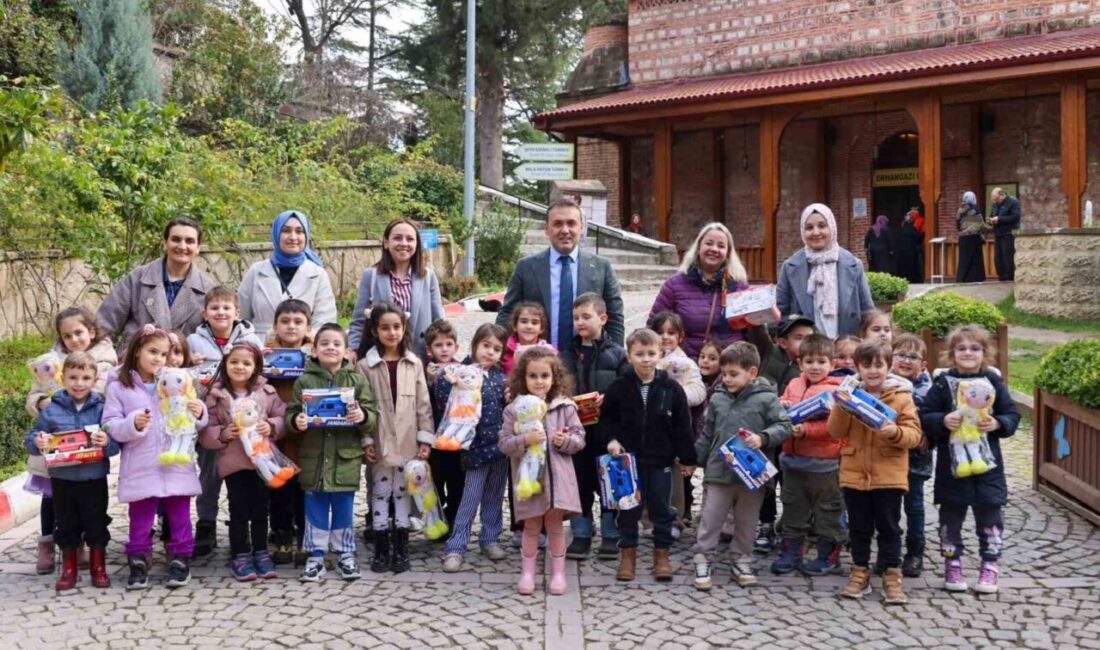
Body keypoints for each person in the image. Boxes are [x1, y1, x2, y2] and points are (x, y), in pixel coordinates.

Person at [103, 325, 208, 590]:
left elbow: (194, 420)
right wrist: (133, 423)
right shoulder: (120, 387)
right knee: (140, 516)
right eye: (152, 351)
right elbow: (110, 424)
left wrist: (198, 412)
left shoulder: (176, 382)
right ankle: (138, 559)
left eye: (164, 354)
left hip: (176, 462)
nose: (159, 359)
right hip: (141, 464)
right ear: (137, 350)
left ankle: (181, 558)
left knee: (180, 513)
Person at [920, 325, 1020, 594]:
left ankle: (990, 565)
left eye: (974, 348)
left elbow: (1012, 414)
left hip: (988, 467)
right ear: (951, 354)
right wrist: (941, 420)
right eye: (961, 348)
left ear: (985, 353)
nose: (967, 352)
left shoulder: (993, 383)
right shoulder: (942, 384)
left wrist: (998, 423)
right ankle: (953, 564)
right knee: (950, 517)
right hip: (952, 467)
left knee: (990, 515)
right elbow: (925, 415)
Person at [24, 306, 118, 575]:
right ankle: (49, 544)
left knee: (90, 505)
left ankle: (88, 550)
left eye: (78, 333)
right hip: (56, 444)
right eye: (67, 336)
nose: (74, 339)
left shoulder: (105, 362)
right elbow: (35, 395)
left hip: (87, 455)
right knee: (52, 498)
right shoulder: (49, 363)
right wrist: (44, 402)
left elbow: (103, 398)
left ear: (91, 331)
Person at [827, 340, 921, 604]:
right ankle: (860, 572)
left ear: (888, 367)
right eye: (866, 365)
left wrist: (895, 432)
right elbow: (834, 432)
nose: (872, 371)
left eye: (878, 365)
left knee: (890, 528)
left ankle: (892, 575)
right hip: (854, 474)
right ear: (857, 368)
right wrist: (841, 406)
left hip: (888, 476)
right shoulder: (850, 393)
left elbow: (914, 436)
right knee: (859, 528)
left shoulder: (902, 398)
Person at [692, 342, 792, 590]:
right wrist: (695, 459)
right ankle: (703, 557)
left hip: (753, 474)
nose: (727, 379)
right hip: (719, 471)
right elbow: (707, 432)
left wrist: (763, 437)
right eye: (724, 374)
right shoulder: (718, 398)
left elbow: (784, 426)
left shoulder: (767, 398)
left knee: (747, 521)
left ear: (752, 372)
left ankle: (741, 559)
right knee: (711, 517)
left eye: (733, 374)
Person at [600, 328, 697, 582]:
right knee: (629, 509)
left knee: (661, 508)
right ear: (629, 356)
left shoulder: (671, 389)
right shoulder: (619, 387)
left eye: (651, 353)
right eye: (639, 354)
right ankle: (628, 555)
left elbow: (682, 426)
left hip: (661, 460)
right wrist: (611, 440)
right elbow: (607, 419)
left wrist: (687, 458)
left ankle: (661, 554)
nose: (646, 359)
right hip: (627, 461)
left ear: (660, 354)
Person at [286, 323, 379, 582]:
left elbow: (372, 416)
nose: (330, 348)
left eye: (337, 344)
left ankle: (345, 554)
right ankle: (315, 555)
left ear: (347, 352)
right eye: (324, 343)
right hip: (314, 459)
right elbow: (291, 414)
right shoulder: (304, 380)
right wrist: (297, 422)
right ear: (314, 351)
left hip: (344, 459)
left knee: (343, 509)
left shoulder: (357, 380)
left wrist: (362, 416)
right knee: (314, 507)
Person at [499, 347, 586, 595]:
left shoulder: (565, 407)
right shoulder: (515, 409)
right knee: (531, 527)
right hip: (530, 482)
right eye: (533, 376)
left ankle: (558, 573)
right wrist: (525, 439)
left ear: (554, 377)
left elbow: (580, 437)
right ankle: (528, 572)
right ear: (523, 378)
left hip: (559, 481)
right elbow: (504, 443)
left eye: (544, 376)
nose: (539, 381)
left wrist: (565, 441)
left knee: (556, 527)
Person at [187, 286, 265, 557]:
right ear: (204, 313)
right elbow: (183, 376)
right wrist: (190, 365)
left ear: (237, 312)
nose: (221, 312)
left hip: (245, 420)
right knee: (208, 473)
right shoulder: (193, 342)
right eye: (215, 308)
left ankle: (241, 523)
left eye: (226, 308)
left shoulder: (252, 339)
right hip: (210, 417)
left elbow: (262, 373)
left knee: (245, 474)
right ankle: (206, 521)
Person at [356, 303, 434, 575]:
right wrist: (366, 441)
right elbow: (361, 405)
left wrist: (425, 439)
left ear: (404, 329)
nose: (392, 332)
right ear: (375, 331)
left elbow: (423, 405)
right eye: (385, 327)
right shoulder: (365, 366)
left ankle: (401, 544)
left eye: (397, 327)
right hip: (379, 440)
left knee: (402, 492)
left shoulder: (414, 364)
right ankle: (380, 543)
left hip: (407, 440)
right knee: (379, 491)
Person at [199, 343, 287, 582]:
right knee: (238, 508)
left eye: (247, 363)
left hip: (262, 460)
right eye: (234, 362)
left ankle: (260, 551)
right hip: (234, 462)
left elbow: (282, 416)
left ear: (256, 368)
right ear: (225, 364)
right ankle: (239, 553)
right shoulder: (215, 395)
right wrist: (222, 434)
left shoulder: (267, 392)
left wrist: (271, 426)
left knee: (261, 508)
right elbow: (206, 428)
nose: (240, 367)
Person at [497, 199, 625, 349]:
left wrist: (615, 360)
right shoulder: (526, 267)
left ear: (582, 228)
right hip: (539, 363)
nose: (565, 230)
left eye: (571, 223)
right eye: (557, 224)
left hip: (589, 362)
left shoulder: (602, 267)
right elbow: (507, 314)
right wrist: (502, 354)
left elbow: (615, 318)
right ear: (546, 229)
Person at [772, 335, 846, 577]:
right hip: (793, 461)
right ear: (800, 363)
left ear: (832, 365)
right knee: (794, 508)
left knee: (828, 511)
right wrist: (781, 404)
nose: (815, 366)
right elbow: (786, 405)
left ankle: (828, 556)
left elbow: (834, 428)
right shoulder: (794, 384)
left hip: (825, 465)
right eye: (810, 361)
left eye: (821, 361)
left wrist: (806, 431)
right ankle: (792, 552)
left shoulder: (836, 391)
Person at [563, 293, 626, 561]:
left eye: (586, 317)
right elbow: (558, 385)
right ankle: (581, 532)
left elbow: (627, 391)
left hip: (606, 431)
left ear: (603, 319)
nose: (580, 322)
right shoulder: (566, 353)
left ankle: (611, 534)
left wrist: (608, 398)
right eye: (576, 318)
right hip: (577, 430)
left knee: (609, 481)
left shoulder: (617, 355)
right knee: (580, 481)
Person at [441, 324, 509, 572]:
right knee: (469, 500)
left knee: (494, 497)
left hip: (500, 449)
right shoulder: (462, 373)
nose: (490, 352)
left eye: (496, 349)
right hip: (475, 450)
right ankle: (456, 546)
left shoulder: (502, 379)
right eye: (486, 346)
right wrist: (448, 381)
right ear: (474, 345)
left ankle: (490, 539)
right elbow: (446, 402)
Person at [97, 217, 216, 354]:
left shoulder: (208, 290)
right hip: (132, 366)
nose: (182, 246)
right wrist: (103, 363)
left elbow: (218, 337)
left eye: (189, 241)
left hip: (181, 370)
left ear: (198, 248)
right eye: (176, 239)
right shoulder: (137, 278)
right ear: (165, 243)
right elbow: (104, 326)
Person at [649, 223, 753, 359]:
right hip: (685, 365)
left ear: (727, 253)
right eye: (709, 243)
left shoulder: (740, 287)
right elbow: (653, 326)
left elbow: (751, 333)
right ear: (698, 247)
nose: (714, 249)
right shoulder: (674, 285)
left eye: (721, 246)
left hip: (729, 367)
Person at [349, 217, 445, 360]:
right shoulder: (371, 276)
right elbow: (359, 321)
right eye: (398, 238)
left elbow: (438, 322)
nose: (404, 243)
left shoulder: (428, 277)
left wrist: (441, 354)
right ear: (386, 243)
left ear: (417, 244)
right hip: (380, 359)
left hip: (418, 358)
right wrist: (354, 349)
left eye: (410, 239)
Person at [238, 210, 337, 342]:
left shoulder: (317, 274)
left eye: (299, 231)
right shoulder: (256, 271)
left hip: (303, 349)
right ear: (276, 234)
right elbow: (242, 317)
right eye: (286, 230)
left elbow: (325, 320)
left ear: (306, 235)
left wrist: (309, 344)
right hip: (260, 347)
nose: (293, 237)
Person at [777, 204, 874, 339]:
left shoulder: (854, 265)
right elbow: (781, 313)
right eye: (809, 227)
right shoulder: (790, 267)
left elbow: (867, 312)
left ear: (832, 227)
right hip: (808, 352)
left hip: (846, 350)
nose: (816, 232)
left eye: (822, 226)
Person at [264, 299, 313, 566]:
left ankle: (306, 536)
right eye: (285, 321)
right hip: (277, 436)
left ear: (308, 328)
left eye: (298, 322)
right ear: (275, 326)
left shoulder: (315, 356)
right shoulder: (267, 357)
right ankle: (282, 534)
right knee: (280, 487)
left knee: (305, 488)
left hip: (307, 435)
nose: (291, 326)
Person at [890, 333, 933, 578]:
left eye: (913, 357)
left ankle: (915, 551)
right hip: (889, 458)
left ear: (923, 364)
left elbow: (929, 418)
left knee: (914, 507)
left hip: (916, 460)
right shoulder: (885, 384)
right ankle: (892, 552)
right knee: (889, 508)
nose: (906, 360)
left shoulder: (926, 389)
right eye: (901, 355)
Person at [424, 319, 464, 530]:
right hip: (435, 437)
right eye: (439, 345)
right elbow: (424, 403)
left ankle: (454, 519)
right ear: (430, 350)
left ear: (456, 347)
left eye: (449, 344)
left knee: (457, 481)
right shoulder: (427, 373)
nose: (444, 349)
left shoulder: (464, 369)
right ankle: (437, 523)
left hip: (457, 437)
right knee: (436, 482)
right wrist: (430, 382)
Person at [502, 301, 555, 376]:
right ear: (514, 326)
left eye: (534, 323)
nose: (529, 326)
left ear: (541, 329)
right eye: (524, 321)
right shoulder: (504, 350)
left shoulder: (550, 352)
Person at [956, 191, 989, 284]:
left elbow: (958, 225)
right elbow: (981, 225)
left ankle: (962, 280)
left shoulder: (960, 209)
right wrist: (991, 226)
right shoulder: (975, 209)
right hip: (973, 238)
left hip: (963, 238)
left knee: (963, 260)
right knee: (975, 260)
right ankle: (976, 279)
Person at [990, 187, 1021, 281]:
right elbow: (992, 215)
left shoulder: (1013, 202)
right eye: (993, 199)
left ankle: (1010, 278)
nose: (995, 201)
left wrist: (999, 219)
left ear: (1002, 195)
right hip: (998, 234)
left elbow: (1016, 216)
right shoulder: (995, 204)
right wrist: (990, 220)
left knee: (1008, 258)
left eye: (996, 199)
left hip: (1008, 234)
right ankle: (1001, 277)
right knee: (998, 259)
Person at [893, 212, 924, 284]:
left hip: (901, 253)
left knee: (902, 267)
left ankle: (902, 279)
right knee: (911, 267)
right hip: (911, 252)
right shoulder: (913, 230)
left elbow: (896, 241)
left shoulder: (900, 231)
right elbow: (919, 239)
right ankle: (912, 280)